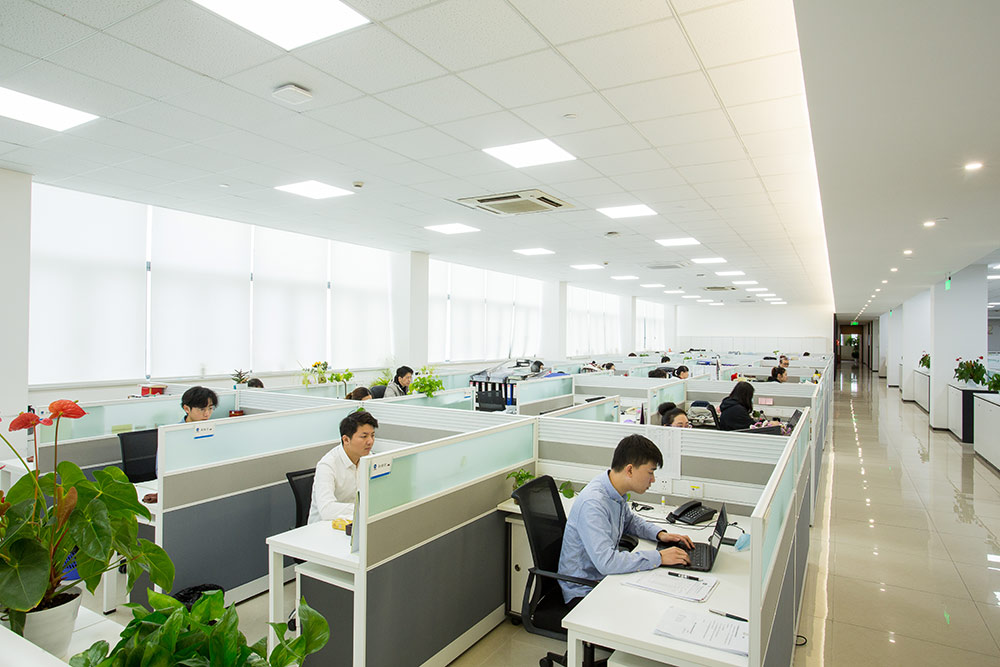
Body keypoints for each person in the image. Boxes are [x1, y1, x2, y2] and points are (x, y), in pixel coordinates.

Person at [558, 434, 693, 604]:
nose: (653, 480)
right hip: (584, 590)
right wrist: (659, 557)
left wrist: (660, 534)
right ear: (629, 470)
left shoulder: (613, 490)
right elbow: (607, 563)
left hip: (603, 579)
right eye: (650, 472)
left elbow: (629, 521)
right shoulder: (594, 503)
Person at [307, 410, 379, 523]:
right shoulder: (327, 465)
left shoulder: (369, 459)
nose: (370, 441)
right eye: (364, 436)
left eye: (372, 435)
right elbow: (326, 509)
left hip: (355, 523)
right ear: (346, 440)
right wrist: (363, 509)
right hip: (325, 527)